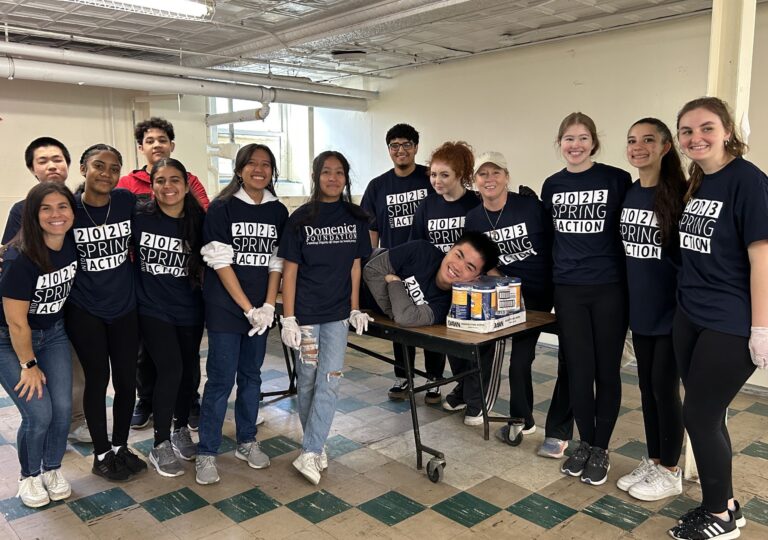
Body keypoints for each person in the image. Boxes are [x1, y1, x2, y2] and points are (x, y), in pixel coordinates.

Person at [667, 97, 768, 540]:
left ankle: (720, 519)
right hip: (691, 313)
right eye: (687, 131)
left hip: (729, 319)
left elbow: (762, 258)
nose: (696, 138)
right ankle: (725, 505)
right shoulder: (698, 180)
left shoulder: (748, 181)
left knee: (701, 415)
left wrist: (762, 326)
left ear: (727, 131)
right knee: (706, 414)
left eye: (706, 128)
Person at [540, 112, 632, 486]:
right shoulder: (552, 184)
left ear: (593, 142)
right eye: (568, 139)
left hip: (610, 287)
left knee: (606, 371)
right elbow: (550, 239)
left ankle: (602, 448)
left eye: (582, 138)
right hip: (569, 289)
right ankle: (584, 442)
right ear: (559, 143)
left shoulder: (616, 179)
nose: (575, 145)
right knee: (578, 369)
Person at [464, 151, 574, 451]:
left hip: (540, 292)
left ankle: (523, 420)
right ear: (475, 181)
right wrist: (501, 278)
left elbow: (556, 242)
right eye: (483, 174)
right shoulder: (474, 217)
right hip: (504, 293)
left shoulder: (529, 207)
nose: (490, 179)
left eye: (495, 172)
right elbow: (479, 258)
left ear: (506, 176)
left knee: (520, 360)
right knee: (495, 353)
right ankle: (519, 419)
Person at [195, 144, 288, 485]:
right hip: (225, 309)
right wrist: (247, 308)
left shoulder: (279, 211)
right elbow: (220, 262)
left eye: (266, 165)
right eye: (252, 164)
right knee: (221, 380)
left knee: (252, 376)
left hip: (259, 312)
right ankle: (206, 451)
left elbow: (276, 262)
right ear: (239, 170)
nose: (259, 170)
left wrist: (267, 306)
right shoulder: (222, 208)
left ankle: (247, 440)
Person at [279, 151, 372, 485]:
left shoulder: (356, 217)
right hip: (305, 316)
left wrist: (355, 307)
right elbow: (290, 271)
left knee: (330, 379)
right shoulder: (300, 218)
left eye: (340, 172)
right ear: (316, 176)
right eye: (326, 172)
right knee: (307, 379)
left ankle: (310, 449)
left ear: (346, 178)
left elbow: (355, 266)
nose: (333, 178)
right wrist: (288, 317)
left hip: (336, 316)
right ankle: (314, 445)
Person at [117, 117, 209, 431]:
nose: (157, 145)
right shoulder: (129, 189)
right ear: (141, 147)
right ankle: (150, 404)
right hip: (148, 292)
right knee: (151, 358)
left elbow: (205, 218)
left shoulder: (191, 184)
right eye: (150, 140)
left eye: (162, 140)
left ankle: (187, 406)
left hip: (186, 297)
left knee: (184, 363)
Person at [65, 144, 146, 481]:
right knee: (97, 382)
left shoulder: (126, 201)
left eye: (114, 168)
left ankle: (122, 446)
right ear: (83, 168)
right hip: (85, 310)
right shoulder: (69, 208)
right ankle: (101, 454)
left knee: (127, 381)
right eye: (99, 165)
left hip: (125, 307)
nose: (106, 173)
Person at [1, 137, 90, 445]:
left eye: (57, 159)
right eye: (43, 161)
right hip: (28, 314)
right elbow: (9, 256)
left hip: (67, 310)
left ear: (69, 165)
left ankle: (69, 425)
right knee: (38, 395)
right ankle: (46, 433)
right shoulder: (21, 211)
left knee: (72, 378)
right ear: (32, 169)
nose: (52, 165)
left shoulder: (80, 206)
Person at [615, 119, 686, 502]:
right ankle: (655, 458)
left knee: (664, 389)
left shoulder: (678, 193)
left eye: (648, 140)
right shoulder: (629, 193)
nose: (638, 146)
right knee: (646, 389)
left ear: (665, 146)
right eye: (631, 140)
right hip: (640, 311)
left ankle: (671, 470)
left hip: (672, 312)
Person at [0, 182, 77, 508]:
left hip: (53, 333)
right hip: (9, 341)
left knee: (62, 410)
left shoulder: (72, 242)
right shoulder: (20, 257)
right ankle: (29, 476)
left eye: (62, 206)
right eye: (46, 208)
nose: (56, 215)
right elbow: (17, 322)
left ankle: (52, 469)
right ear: (33, 214)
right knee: (39, 414)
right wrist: (28, 365)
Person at [132, 158, 205, 477]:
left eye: (174, 179)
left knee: (188, 372)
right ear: (152, 185)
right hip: (152, 308)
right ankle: (159, 443)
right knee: (170, 370)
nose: (168, 186)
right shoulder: (139, 215)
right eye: (160, 180)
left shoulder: (199, 220)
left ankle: (179, 429)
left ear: (186, 184)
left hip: (190, 309)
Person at [360, 123, 437, 400]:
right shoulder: (378, 186)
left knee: (430, 323)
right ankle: (404, 377)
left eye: (406, 144)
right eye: (395, 145)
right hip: (392, 265)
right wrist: (369, 264)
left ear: (416, 147)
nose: (400, 150)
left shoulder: (430, 179)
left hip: (427, 264)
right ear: (389, 150)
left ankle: (434, 379)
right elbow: (370, 230)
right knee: (398, 323)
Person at [409, 141, 480, 404]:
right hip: (436, 285)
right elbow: (417, 245)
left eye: (444, 175)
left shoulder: (474, 204)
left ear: (460, 175)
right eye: (434, 175)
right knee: (442, 342)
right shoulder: (426, 206)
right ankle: (449, 384)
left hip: (468, 287)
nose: (437, 180)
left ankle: (472, 393)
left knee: (466, 345)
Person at [363, 231, 500, 327]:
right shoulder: (421, 250)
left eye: (469, 267)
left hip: (368, 305)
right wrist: (396, 310)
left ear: (476, 278)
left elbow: (405, 318)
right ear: (450, 249)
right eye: (458, 255)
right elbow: (371, 270)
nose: (458, 267)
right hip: (356, 267)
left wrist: (394, 282)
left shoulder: (450, 305)